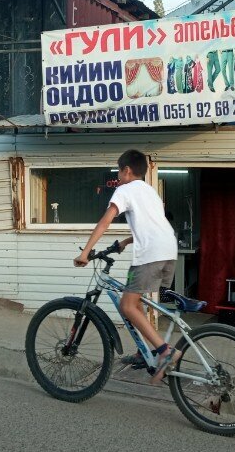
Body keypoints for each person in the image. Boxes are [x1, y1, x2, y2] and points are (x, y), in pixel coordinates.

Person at [74, 149, 180, 383]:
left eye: (119, 172)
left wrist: (85, 252)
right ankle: (146, 350)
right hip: (168, 251)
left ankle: (165, 351)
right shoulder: (150, 191)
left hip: (150, 255)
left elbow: (105, 220)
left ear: (127, 170)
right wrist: (125, 241)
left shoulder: (124, 189)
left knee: (127, 305)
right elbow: (152, 225)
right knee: (137, 302)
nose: (118, 176)